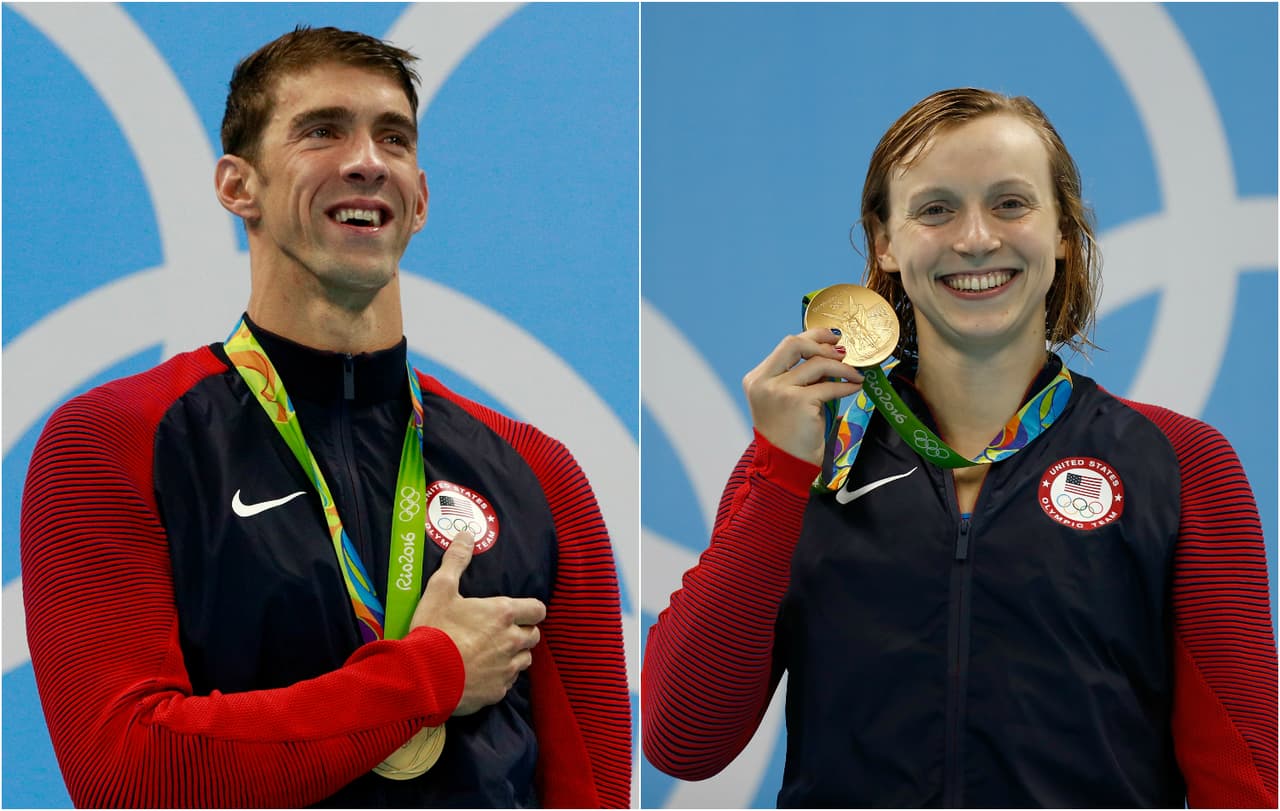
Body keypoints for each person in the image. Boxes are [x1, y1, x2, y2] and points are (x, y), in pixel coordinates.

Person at [21, 26, 630, 808]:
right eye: (322, 131)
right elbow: (130, 773)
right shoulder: (116, 440)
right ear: (238, 187)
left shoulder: (536, 470)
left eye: (393, 138)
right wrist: (431, 672)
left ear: (420, 200)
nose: (367, 161)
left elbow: (593, 788)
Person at [641, 88, 1276, 807]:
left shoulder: (1178, 461)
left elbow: (1247, 783)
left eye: (1011, 204)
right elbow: (682, 740)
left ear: (1064, 232)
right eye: (936, 209)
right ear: (885, 241)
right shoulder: (811, 456)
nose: (975, 239)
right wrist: (779, 472)